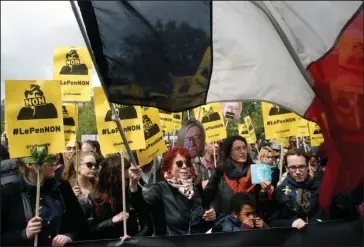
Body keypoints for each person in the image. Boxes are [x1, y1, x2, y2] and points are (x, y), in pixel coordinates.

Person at [1, 152, 87, 246]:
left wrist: (69, 236)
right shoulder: (8, 194)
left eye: (55, 158)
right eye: (48, 159)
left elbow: (80, 223)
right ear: (29, 164)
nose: (54, 163)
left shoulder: (62, 187)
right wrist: (24, 234)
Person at [128, 148, 216, 236]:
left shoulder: (195, 191)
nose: (184, 166)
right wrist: (133, 185)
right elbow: (142, 208)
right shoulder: (159, 189)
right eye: (179, 163)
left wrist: (210, 218)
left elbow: (201, 227)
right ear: (169, 168)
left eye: (187, 163)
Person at [80, 153, 153, 240]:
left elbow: (147, 226)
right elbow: (86, 233)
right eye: (122, 180)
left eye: (128, 179)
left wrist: (132, 239)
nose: (125, 184)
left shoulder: (131, 194)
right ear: (110, 179)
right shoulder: (90, 200)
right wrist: (111, 221)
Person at [204, 136, 274, 222]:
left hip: (252, 226)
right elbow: (207, 200)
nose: (243, 151)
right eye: (238, 149)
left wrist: (266, 192)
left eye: (244, 148)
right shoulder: (220, 173)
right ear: (229, 152)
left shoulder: (257, 171)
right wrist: (212, 211)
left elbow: (264, 206)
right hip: (227, 227)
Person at [269, 149, 323, 229]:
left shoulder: (319, 187)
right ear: (287, 168)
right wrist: (291, 223)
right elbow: (272, 222)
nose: (297, 172)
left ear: (307, 166)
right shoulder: (280, 191)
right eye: (293, 167)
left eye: (301, 166)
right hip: (293, 238)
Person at [176, 119, 206, 186]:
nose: (192, 143)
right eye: (187, 139)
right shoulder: (175, 167)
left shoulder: (204, 166)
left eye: (196, 138)